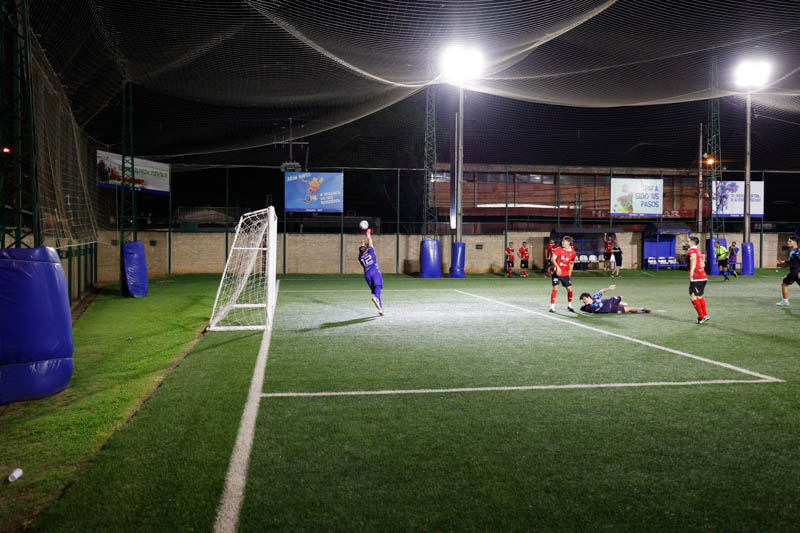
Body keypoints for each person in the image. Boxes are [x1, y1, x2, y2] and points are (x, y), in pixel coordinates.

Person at [358, 228, 384, 316]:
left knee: (376, 292)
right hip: (375, 272)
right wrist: (368, 236)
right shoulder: (371, 252)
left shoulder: (360, 258)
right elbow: (370, 243)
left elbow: (362, 251)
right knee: (378, 289)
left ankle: (381, 309)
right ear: (366, 249)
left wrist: (362, 245)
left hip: (367, 275)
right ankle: (377, 299)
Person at [549, 236, 577, 313]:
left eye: (563, 241)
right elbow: (553, 259)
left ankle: (570, 305)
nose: (562, 242)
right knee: (555, 288)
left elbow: (571, 263)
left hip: (565, 274)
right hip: (557, 273)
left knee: (570, 289)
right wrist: (557, 267)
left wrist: (570, 272)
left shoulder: (573, 252)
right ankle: (552, 306)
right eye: (562, 241)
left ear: (568, 243)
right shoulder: (558, 249)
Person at [579, 284, 651, 314]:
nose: (584, 301)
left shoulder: (595, 297)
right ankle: (642, 309)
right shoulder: (588, 307)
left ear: (589, 297)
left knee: (621, 297)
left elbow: (601, 291)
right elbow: (582, 308)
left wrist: (609, 288)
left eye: (584, 299)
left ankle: (620, 303)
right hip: (612, 309)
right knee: (629, 309)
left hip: (610, 300)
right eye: (583, 300)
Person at [687, 236, 710, 324]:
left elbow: (693, 259)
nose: (687, 243)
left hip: (697, 277)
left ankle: (701, 317)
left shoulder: (692, 251)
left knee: (692, 296)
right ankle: (705, 315)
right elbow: (703, 264)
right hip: (703, 276)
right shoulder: (699, 252)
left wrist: (692, 272)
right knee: (699, 296)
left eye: (688, 241)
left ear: (692, 243)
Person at [776, 235, 800, 307]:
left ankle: (785, 301)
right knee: (784, 284)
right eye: (788, 241)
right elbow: (790, 262)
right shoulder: (792, 251)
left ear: (795, 242)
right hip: (794, 272)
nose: (788, 242)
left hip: (796, 272)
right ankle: (785, 301)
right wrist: (782, 263)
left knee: (784, 284)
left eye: (790, 241)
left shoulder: (798, 251)